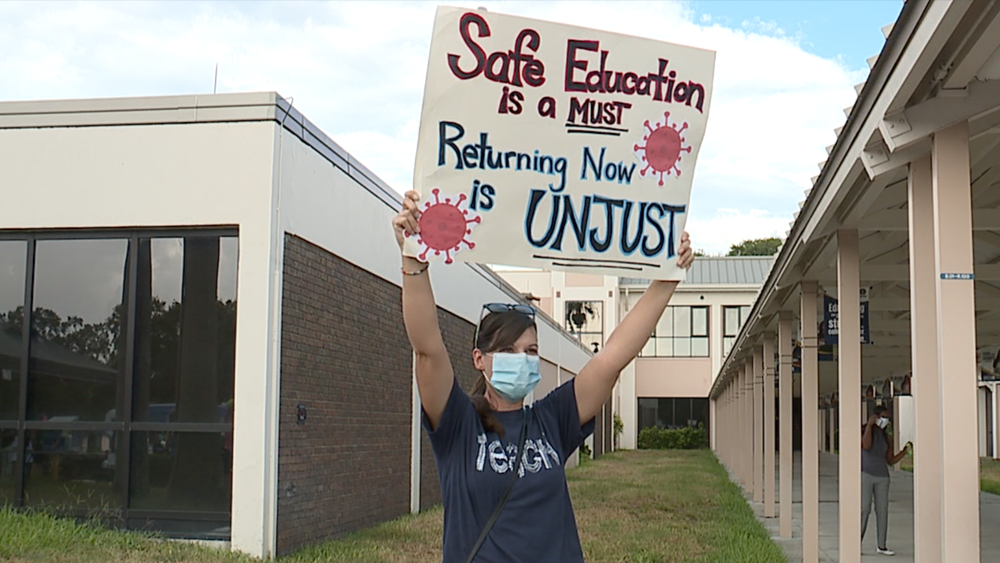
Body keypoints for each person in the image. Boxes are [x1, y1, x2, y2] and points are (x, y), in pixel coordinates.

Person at [393, 190, 694, 563]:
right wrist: (414, 261)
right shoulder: (458, 424)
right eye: (507, 350)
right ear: (479, 359)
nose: (522, 360)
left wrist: (667, 278)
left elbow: (612, 359)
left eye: (531, 351)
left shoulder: (551, 419)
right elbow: (427, 349)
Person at [861, 405, 911, 556]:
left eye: (887, 418)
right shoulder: (864, 430)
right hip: (867, 474)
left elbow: (890, 460)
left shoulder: (886, 437)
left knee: (882, 510)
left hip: (882, 476)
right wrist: (870, 425)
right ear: (875, 417)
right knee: (865, 508)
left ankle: (881, 545)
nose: (885, 420)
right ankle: (856, 541)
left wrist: (903, 453)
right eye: (883, 417)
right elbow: (866, 445)